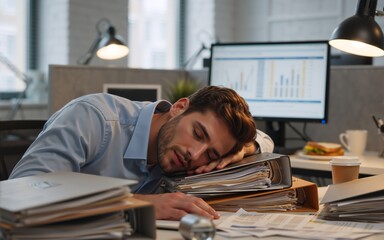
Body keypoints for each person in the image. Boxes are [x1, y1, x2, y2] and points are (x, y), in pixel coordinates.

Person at [9, 86, 274, 220]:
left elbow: (266, 140)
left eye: (211, 153)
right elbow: (21, 192)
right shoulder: (94, 118)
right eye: (198, 134)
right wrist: (136, 203)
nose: (195, 154)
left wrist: (245, 148)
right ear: (180, 107)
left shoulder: (182, 151)